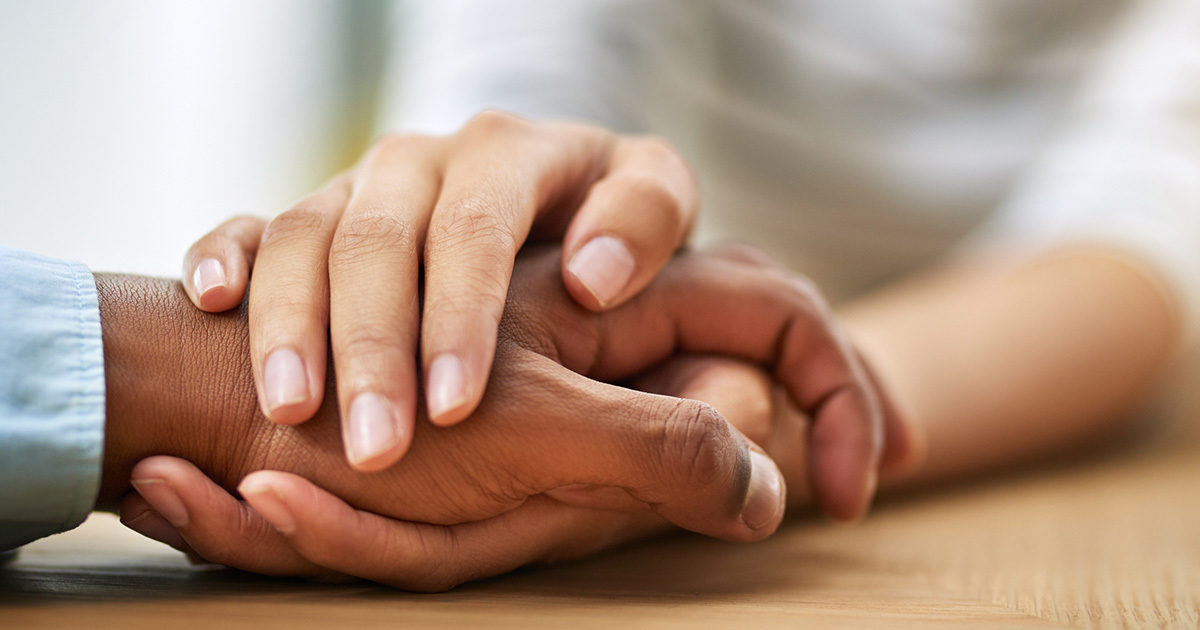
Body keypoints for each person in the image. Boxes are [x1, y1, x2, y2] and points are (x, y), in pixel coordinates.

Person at [146, 0, 1194, 586]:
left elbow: (1148, 238)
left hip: (1094, 450)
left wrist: (682, 426)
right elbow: (524, 70)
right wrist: (480, 240)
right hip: (643, 326)